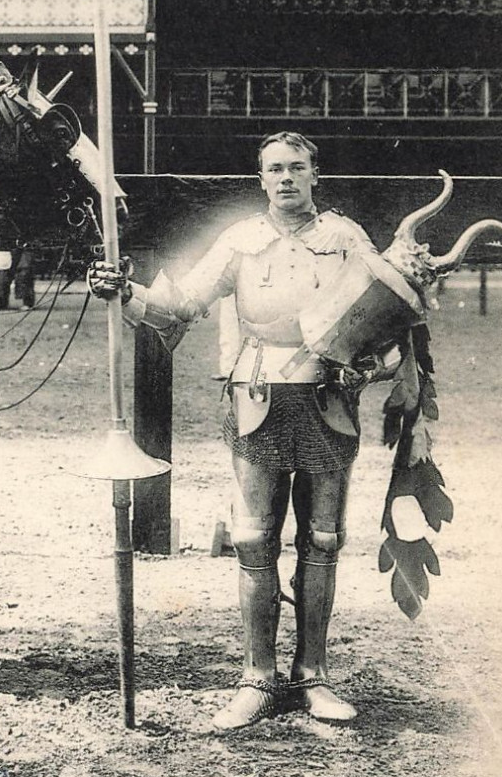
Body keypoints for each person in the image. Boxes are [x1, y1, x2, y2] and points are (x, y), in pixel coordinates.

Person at [88, 132, 390, 731]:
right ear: (261, 179)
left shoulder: (346, 239)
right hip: (256, 396)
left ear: (314, 175)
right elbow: (181, 304)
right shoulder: (240, 241)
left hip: (329, 398)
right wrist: (125, 291)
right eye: (274, 169)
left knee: (323, 539)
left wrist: (368, 367)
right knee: (254, 539)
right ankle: (258, 676)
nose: (285, 179)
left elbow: (386, 324)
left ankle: (313, 675)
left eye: (296, 168)